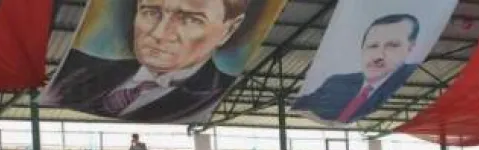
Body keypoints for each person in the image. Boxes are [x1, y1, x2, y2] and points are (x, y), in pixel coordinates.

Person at [43, 0, 248, 123]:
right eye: (151, 12)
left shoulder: (211, 94)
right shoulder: (79, 71)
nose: (159, 33)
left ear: (229, 29)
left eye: (190, 20)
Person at [294, 14, 420, 123]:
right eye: (372, 46)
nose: (378, 56)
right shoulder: (337, 82)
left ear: (411, 48)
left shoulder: (409, 77)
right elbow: (306, 102)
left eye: (392, 45)